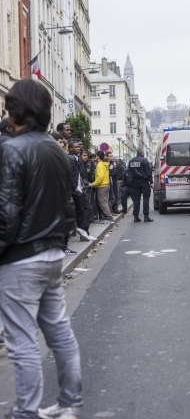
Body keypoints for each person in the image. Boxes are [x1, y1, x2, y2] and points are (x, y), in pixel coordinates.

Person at [0, 78, 82, 419]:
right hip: (51, 251)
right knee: (59, 332)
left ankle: (26, 413)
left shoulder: (11, 149)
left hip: (21, 256)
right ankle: (69, 405)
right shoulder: (57, 150)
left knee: (22, 342)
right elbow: (67, 206)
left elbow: (7, 212)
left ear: (15, 110)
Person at [67, 139, 95, 242]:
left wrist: (83, 184)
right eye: (76, 147)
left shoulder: (77, 159)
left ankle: (84, 232)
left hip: (80, 187)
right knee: (85, 209)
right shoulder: (70, 159)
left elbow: (80, 174)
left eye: (79, 147)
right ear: (70, 149)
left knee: (85, 209)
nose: (78, 148)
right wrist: (74, 187)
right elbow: (70, 174)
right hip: (76, 189)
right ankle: (83, 231)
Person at [129, 148, 154, 223]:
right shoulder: (144, 160)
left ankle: (136, 216)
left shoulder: (132, 161)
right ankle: (146, 216)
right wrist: (151, 182)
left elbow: (129, 171)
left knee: (136, 199)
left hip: (135, 182)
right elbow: (148, 172)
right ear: (142, 153)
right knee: (146, 198)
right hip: (144, 181)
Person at [90, 150, 114, 222]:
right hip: (106, 184)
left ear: (97, 156)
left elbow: (100, 177)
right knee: (105, 203)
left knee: (103, 204)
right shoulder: (105, 164)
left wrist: (93, 184)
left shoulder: (99, 165)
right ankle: (105, 218)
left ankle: (109, 218)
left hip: (101, 186)